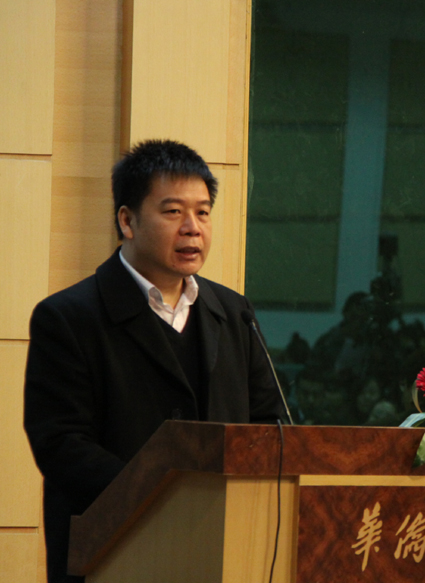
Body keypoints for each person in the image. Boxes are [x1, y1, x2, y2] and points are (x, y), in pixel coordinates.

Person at [24, 139, 285, 583]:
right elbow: (61, 444)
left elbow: (270, 425)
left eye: (203, 212)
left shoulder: (233, 312)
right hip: (114, 552)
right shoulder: (69, 317)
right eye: (173, 212)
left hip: (227, 549)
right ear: (127, 220)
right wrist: (164, 498)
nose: (192, 228)